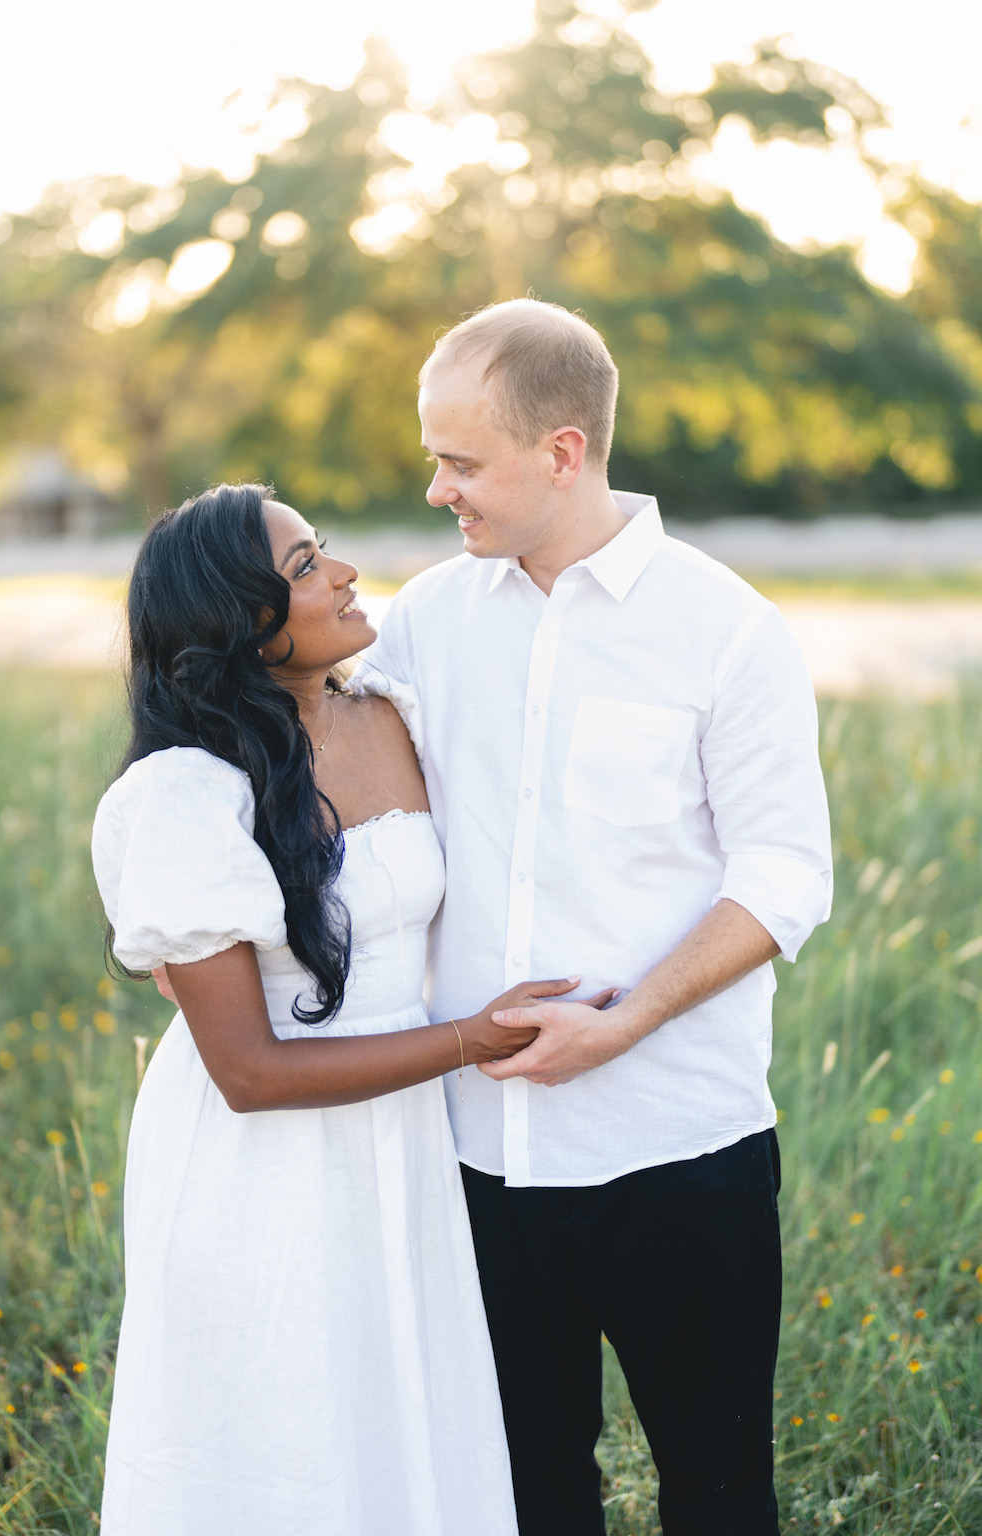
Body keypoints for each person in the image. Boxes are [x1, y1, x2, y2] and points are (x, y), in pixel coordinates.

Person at [357, 298, 833, 1535]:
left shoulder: (728, 631)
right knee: (518, 1493)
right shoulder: (422, 621)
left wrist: (628, 1025)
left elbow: (786, 874)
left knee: (720, 1492)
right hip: (474, 1154)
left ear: (562, 451)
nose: (435, 491)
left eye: (461, 462)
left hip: (682, 1148)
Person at [90, 481, 595, 1536]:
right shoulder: (189, 794)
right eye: (305, 566)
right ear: (241, 623)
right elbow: (250, 1073)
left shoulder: (393, 711)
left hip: (407, 1136)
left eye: (322, 549)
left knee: (403, 1408)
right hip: (264, 1161)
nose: (346, 572)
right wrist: (468, 1039)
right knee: (286, 1427)